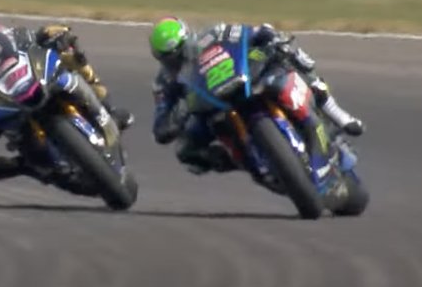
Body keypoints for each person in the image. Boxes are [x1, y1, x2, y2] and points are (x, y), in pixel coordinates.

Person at [0, 12, 130, 189]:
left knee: (68, 50)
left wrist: (47, 34)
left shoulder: (0, 36)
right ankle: (25, 166)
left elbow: (28, 38)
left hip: (23, 82)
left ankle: (105, 103)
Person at [148, 16, 365, 174]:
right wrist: (180, 113)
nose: (178, 60)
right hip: (211, 108)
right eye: (170, 58)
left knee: (289, 55)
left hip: (245, 78)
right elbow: (160, 127)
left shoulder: (214, 33)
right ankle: (239, 161)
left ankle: (333, 110)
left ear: (189, 39)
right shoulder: (164, 82)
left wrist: (269, 37)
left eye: (181, 52)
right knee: (185, 151)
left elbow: (252, 32)